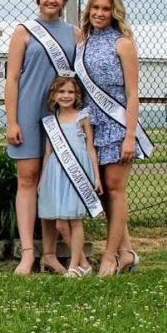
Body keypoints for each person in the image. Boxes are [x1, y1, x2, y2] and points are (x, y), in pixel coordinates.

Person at [5, 0, 81, 275]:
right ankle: (27, 254)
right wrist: (12, 120)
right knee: (28, 180)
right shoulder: (23, 32)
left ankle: (51, 254)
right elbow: (11, 78)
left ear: (64, 1)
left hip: (62, 116)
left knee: (53, 181)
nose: (52, 0)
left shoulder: (76, 34)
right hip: (27, 112)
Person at [76, 0, 151, 276]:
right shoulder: (83, 41)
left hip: (117, 124)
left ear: (114, 12)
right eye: (95, 7)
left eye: (105, 9)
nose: (99, 13)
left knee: (116, 190)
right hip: (91, 126)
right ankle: (127, 252)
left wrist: (130, 135)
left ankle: (110, 257)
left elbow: (133, 94)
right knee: (104, 192)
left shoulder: (124, 44)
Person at [37, 74, 102, 276]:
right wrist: (42, 180)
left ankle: (74, 266)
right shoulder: (50, 121)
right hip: (57, 172)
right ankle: (85, 264)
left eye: (70, 92)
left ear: (77, 95)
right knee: (59, 224)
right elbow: (48, 152)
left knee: (75, 220)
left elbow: (91, 148)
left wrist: (97, 177)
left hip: (78, 170)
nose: (66, 96)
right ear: (54, 95)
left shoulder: (83, 116)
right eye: (61, 91)